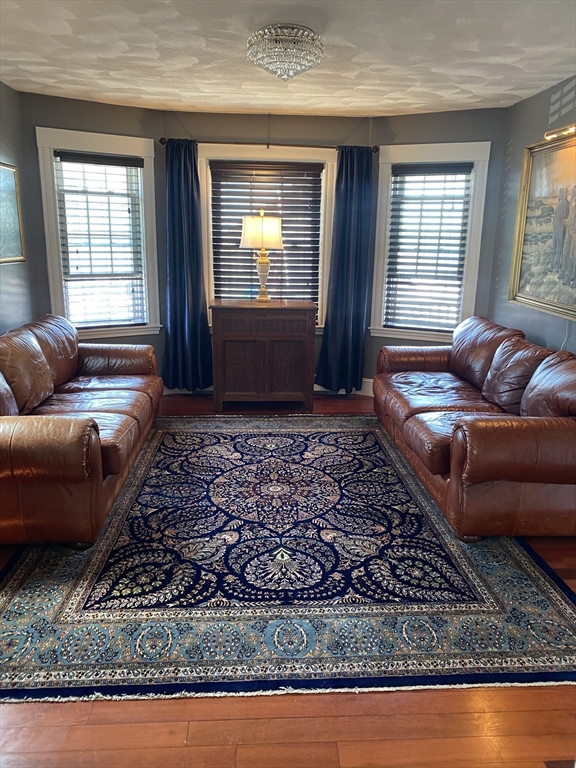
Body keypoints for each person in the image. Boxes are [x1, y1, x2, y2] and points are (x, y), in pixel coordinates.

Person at [552, 187, 569, 271]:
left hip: (561, 228)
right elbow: (555, 215)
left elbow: (566, 216)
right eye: (560, 192)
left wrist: (563, 226)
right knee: (554, 247)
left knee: (559, 248)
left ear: (564, 194)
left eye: (561, 192)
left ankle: (557, 266)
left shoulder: (566, 203)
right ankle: (553, 265)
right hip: (556, 228)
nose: (560, 194)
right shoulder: (559, 202)